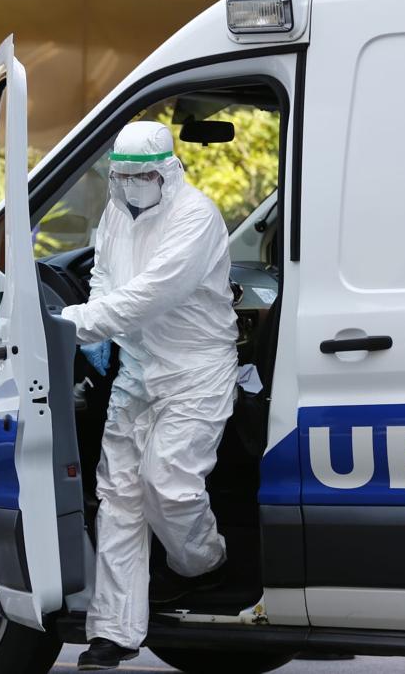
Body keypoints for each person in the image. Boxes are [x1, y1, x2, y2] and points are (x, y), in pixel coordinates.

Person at [61, 121, 239, 670]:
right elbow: (106, 277)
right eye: (124, 176)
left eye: (144, 176)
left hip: (195, 371)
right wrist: (97, 330)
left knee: (169, 485)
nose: (134, 185)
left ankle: (204, 566)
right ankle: (112, 633)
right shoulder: (117, 211)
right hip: (137, 370)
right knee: (117, 498)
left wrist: (74, 325)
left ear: (168, 171)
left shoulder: (196, 217)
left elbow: (150, 294)